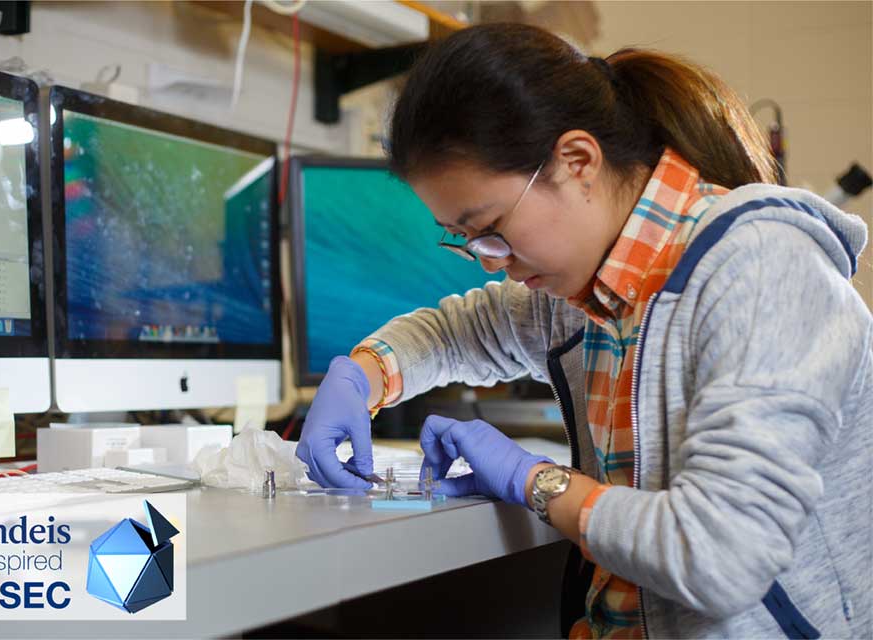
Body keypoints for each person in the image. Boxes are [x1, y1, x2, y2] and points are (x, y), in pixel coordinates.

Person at [296, 23, 871, 639]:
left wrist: (536, 482)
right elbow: (459, 331)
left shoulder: (760, 266)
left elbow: (720, 557)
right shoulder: (585, 285)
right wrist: (365, 374)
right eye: (466, 240)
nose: (490, 259)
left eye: (490, 226)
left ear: (577, 162)